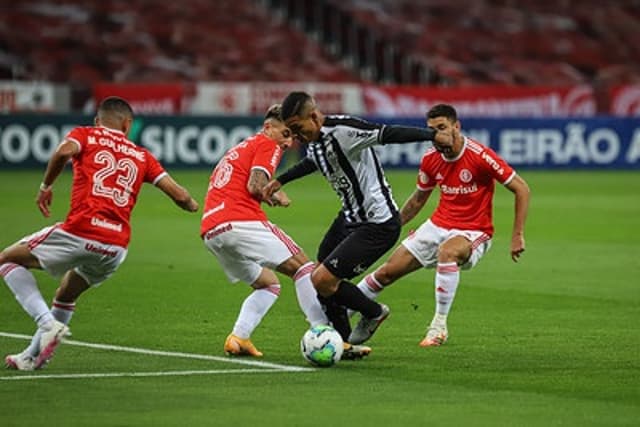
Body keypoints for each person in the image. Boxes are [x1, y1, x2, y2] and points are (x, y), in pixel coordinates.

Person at [1, 96, 199, 371]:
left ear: (98, 121)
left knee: (7, 260)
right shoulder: (142, 155)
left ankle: (47, 323)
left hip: (80, 230)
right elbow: (181, 196)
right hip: (115, 247)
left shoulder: (86, 135)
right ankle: (33, 356)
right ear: (128, 124)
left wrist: (46, 186)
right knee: (66, 295)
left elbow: (61, 153)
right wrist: (192, 205)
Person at [262, 91, 453, 344]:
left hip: (377, 224)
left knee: (322, 280)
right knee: (320, 273)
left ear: (314, 116)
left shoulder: (344, 130)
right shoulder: (315, 139)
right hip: (350, 217)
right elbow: (315, 161)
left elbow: (387, 133)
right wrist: (280, 180)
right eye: (291, 131)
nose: (296, 135)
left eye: (298, 128)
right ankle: (343, 342)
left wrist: (431, 135)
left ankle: (374, 313)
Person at [352, 103, 530, 347]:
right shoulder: (430, 159)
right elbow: (418, 200)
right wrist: (392, 226)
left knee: (447, 251)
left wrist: (517, 235)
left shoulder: (480, 156)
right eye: (432, 130)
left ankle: (439, 326)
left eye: (443, 127)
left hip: (473, 231)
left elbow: (521, 188)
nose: (437, 135)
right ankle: (340, 313)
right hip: (437, 225)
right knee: (385, 273)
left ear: (457, 127)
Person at [200, 104, 369, 360]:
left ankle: (239, 337)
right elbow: (256, 184)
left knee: (267, 284)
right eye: (286, 134)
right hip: (239, 220)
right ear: (268, 127)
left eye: (292, 136)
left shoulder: (239, 148)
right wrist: (275, 193)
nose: (289, 142)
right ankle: (324, 333)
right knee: (303, 267)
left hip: (212, 230)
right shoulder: (267, 144)